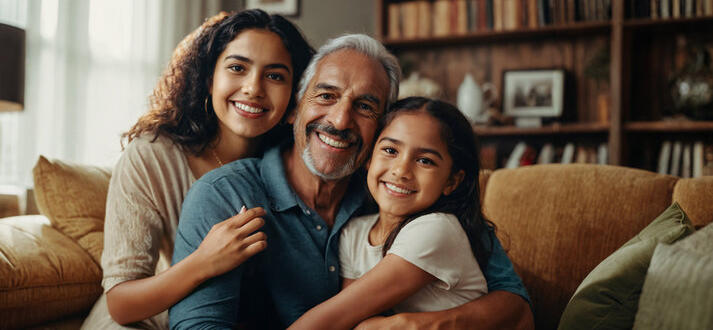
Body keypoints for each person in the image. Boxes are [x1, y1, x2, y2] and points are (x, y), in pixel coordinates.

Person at [169, 34, 533, 329]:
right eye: (326, 95)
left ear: (381, 127)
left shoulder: (399, 195)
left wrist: (419, 323)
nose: (341, 120)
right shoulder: (225, 194)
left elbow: (516, 307)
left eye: (364, 106)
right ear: (295, 107)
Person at [81, 9, 313, 329]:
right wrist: (205, 262)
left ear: (295, 95)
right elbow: (120, 303)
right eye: (237, 68)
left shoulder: (297, 167)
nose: (253, 88)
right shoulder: (152, 157)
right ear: (209, 78)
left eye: (275, 76)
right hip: (144, 320)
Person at [290, 97, 495, 329]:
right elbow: (353, 318)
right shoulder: (353, 232)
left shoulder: (437, 230)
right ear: (368, 158)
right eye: (390, 150)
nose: (401, 171)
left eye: (425, 160)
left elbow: (335, 317)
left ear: (451, 181)